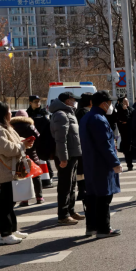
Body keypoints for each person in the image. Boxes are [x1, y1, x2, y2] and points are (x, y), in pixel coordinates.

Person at [0, 102, 34, 245]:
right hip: (4, 170)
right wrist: (22, 145)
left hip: (10, 169)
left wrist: (24, 143)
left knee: (10, 202)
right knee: (6, 203)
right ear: (2, 114)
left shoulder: (4, 127)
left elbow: (15, 143)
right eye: (8, 111)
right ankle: (5, 234)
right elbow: (6, 148)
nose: (11, 114)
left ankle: (12, 229)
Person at [80, 91, 122, 238]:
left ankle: (91, 227)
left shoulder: (87, 117)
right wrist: (115, 163)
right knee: (104, 197)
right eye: (109, 103)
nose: (110, 106)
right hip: (101, 164)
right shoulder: (98, 119)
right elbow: (104, 144)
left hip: (91, 162)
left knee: (92, 196)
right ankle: (104, 229)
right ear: (103, 103)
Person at [50, 92, 85, 225]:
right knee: (65, 185)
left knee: (72, 184)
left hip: (73, 154)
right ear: (67, 101)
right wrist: (63, 158)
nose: (75, 101)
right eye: (73, 99)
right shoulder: (61, 114)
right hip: (66, 156)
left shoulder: (69, 113)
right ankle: (63, 214)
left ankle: (71, 210)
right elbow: (60, 139)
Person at [10, 110, 44, 206]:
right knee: (36, 176)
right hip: (32, 154)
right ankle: (39, 197)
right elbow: (38, 137)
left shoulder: (12, 127)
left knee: (22, 176)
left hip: (19, 155)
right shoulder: (30, 126)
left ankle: (24, 199)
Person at [27, 95, 54, 182]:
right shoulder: (28, 113)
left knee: (45, 159)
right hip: (33, 140)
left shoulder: (43, 112)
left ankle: (49, 176)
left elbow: (47, 124)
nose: (38, 103)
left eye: (39, 101)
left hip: (43, 139)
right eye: (35, 102)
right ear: (30, 103)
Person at [75, 93, 93, 202]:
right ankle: (84, 191)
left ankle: (82, 191)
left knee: (81, 171)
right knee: (84, 169)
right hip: (85, 145)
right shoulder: (85, 113)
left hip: (79, 145)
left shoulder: (79, 112)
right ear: (90, 102)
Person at [116, 97, 136, 171]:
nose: (127, 102)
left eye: (127, 101)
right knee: (127, 151)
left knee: (135, 149)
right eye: (125, 101)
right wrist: (125, 112)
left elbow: (133, 120)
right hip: (125, 135)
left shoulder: (131, 109)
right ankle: (129, 165)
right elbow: (123, 120)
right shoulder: (119, 111)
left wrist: (128, 121)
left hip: (133, 134)